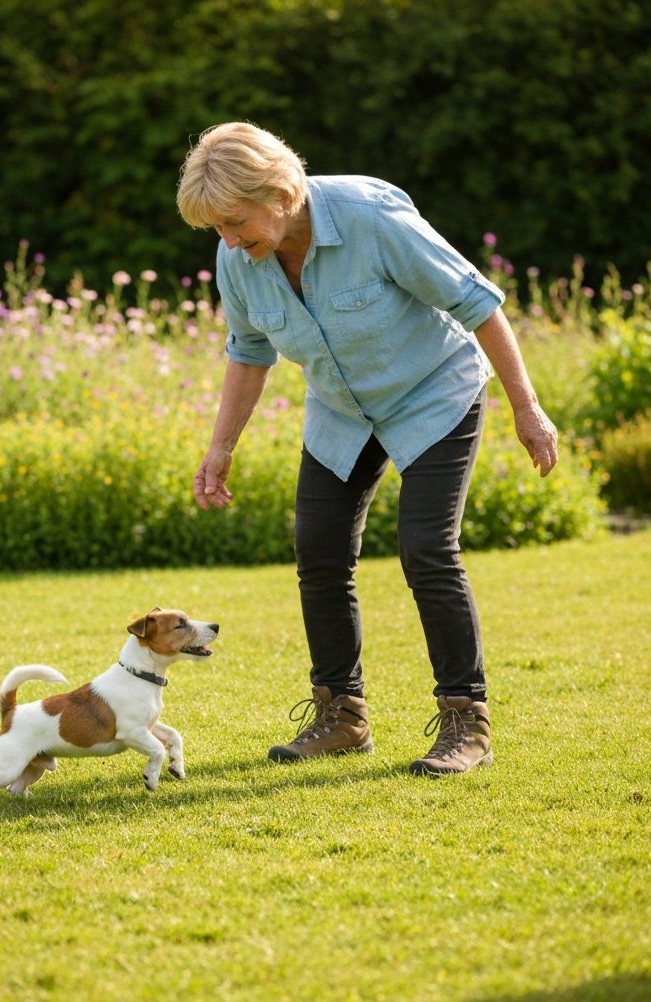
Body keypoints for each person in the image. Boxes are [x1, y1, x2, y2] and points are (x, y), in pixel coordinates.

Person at [176, 122, 558, 775]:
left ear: (282, 191)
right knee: (319, 551)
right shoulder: (238, 258)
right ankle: (342, 716)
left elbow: (478, 304)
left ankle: (467, 725)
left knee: (427, 549)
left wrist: (527, 408)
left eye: (237, 222)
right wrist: (219, 448)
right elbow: (248, 353)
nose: (231, 243)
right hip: (343, 408)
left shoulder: (371, 217)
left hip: (434, 391)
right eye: (217, 231)